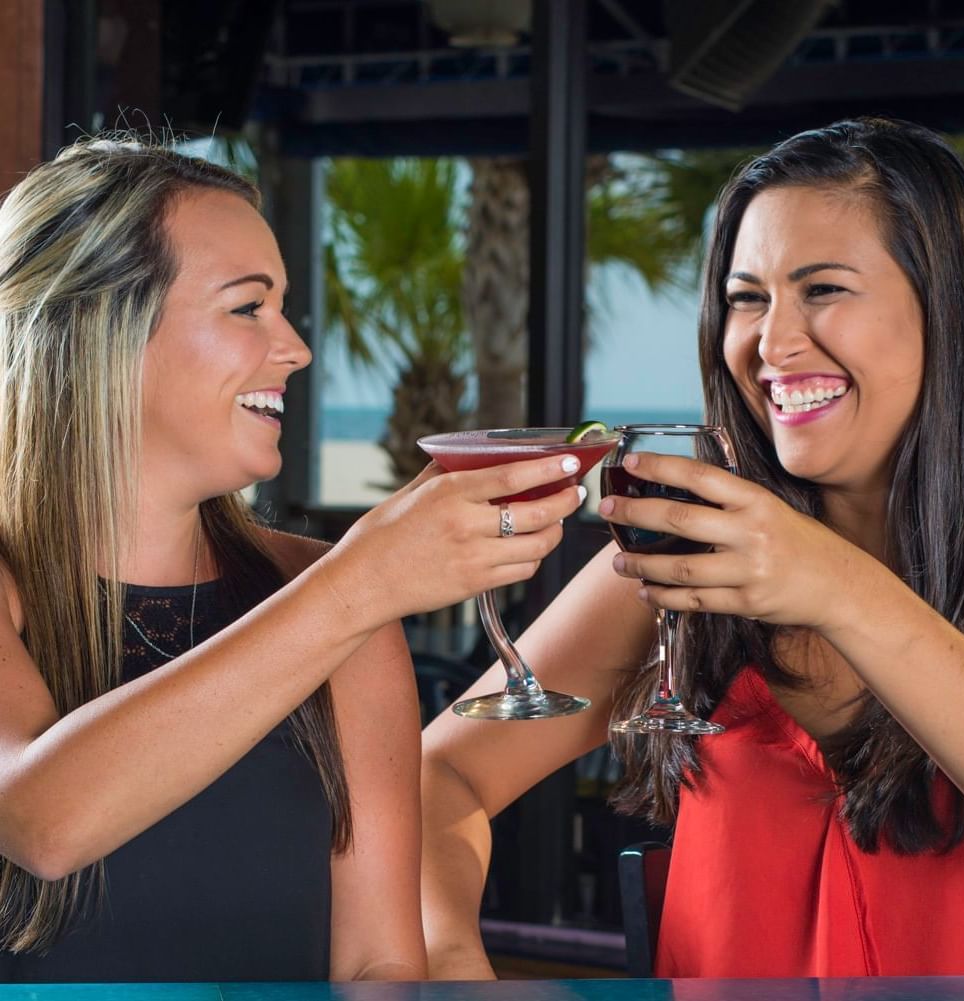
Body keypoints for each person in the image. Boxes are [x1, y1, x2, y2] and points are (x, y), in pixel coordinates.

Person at [421, 116, 964, 978]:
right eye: (746, 296)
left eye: (824, 289)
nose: (770, 344)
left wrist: (836, 586)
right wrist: (448, 959)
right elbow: (441, 777)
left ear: (944, 306)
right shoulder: (682, 559)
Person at [0, 137, 585, 983]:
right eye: (248, 308)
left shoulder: (334, 599)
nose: (296, 349)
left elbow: (380, 964)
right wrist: (362, 579)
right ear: (102, 330)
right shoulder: (339, 594)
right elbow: (42, 819)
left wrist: (355, 586)